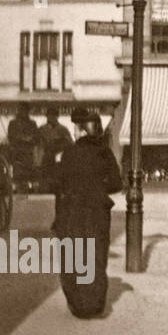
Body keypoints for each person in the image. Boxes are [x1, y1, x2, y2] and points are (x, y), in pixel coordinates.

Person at [54, 110, 124, 318]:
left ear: (82, 130)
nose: (74, 132)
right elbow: (116, 184)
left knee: (75, 255)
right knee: (96, 255)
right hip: (97, 213)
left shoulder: (69, 154)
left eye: (76, 128)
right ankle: (95, 304)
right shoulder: (105, 153)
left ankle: (78, 304)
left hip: (73, 212)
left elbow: (59, 184)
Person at [39, 106, 74, 194]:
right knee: (45, 181)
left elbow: (70, 143)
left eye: (53, 116)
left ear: (57, 116)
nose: (51, 118)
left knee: (57, 181)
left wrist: (59, 143)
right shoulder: (42, 129)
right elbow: (37, 143)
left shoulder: (63, 129)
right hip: (46, 158)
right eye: (49, 116)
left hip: (58, 159)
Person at [7, 103, 39, 192]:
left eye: (25, 110)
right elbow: (11, 138)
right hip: (17, 156)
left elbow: (36, 139)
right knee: (18, 179)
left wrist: (26, 139)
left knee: (29, 179)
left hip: (29, 156)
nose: (23, 112)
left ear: (28, 111)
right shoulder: (13, 123)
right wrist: (24, 139)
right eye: (21, 110)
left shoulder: (32, 123)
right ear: (19, 111)